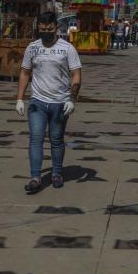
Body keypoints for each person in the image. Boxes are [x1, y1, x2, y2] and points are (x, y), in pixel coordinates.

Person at [16, 12, 82, 194]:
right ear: (38, 28)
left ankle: (57, 173)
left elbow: (76, 74)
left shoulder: (67, 48)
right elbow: (25, 73)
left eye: (50, 29)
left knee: (56, 139)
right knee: (36, 139)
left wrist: (72, 98)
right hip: (37, 102)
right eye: (43, 29)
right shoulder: (32, 48)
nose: (46, 32)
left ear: (56, 27)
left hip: (60, 103)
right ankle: (35, 177)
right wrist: (20, 99)